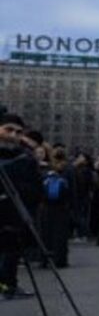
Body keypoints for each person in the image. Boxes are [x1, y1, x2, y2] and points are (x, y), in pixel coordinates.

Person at [0, 113, 42, 301]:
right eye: (8, 130)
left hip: (14, 215)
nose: (13, 135)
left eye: (18, 132)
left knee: (11, 253)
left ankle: (8, 285)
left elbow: (35, 189)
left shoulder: (24, 158)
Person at [40, 147, 73, 268]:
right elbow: (74, 190)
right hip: (62, 207)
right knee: (60, 235)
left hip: (46, 207)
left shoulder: (46, 169)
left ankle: (45, 259)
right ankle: (60, 260)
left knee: (45, 234)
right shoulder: (69, 169)